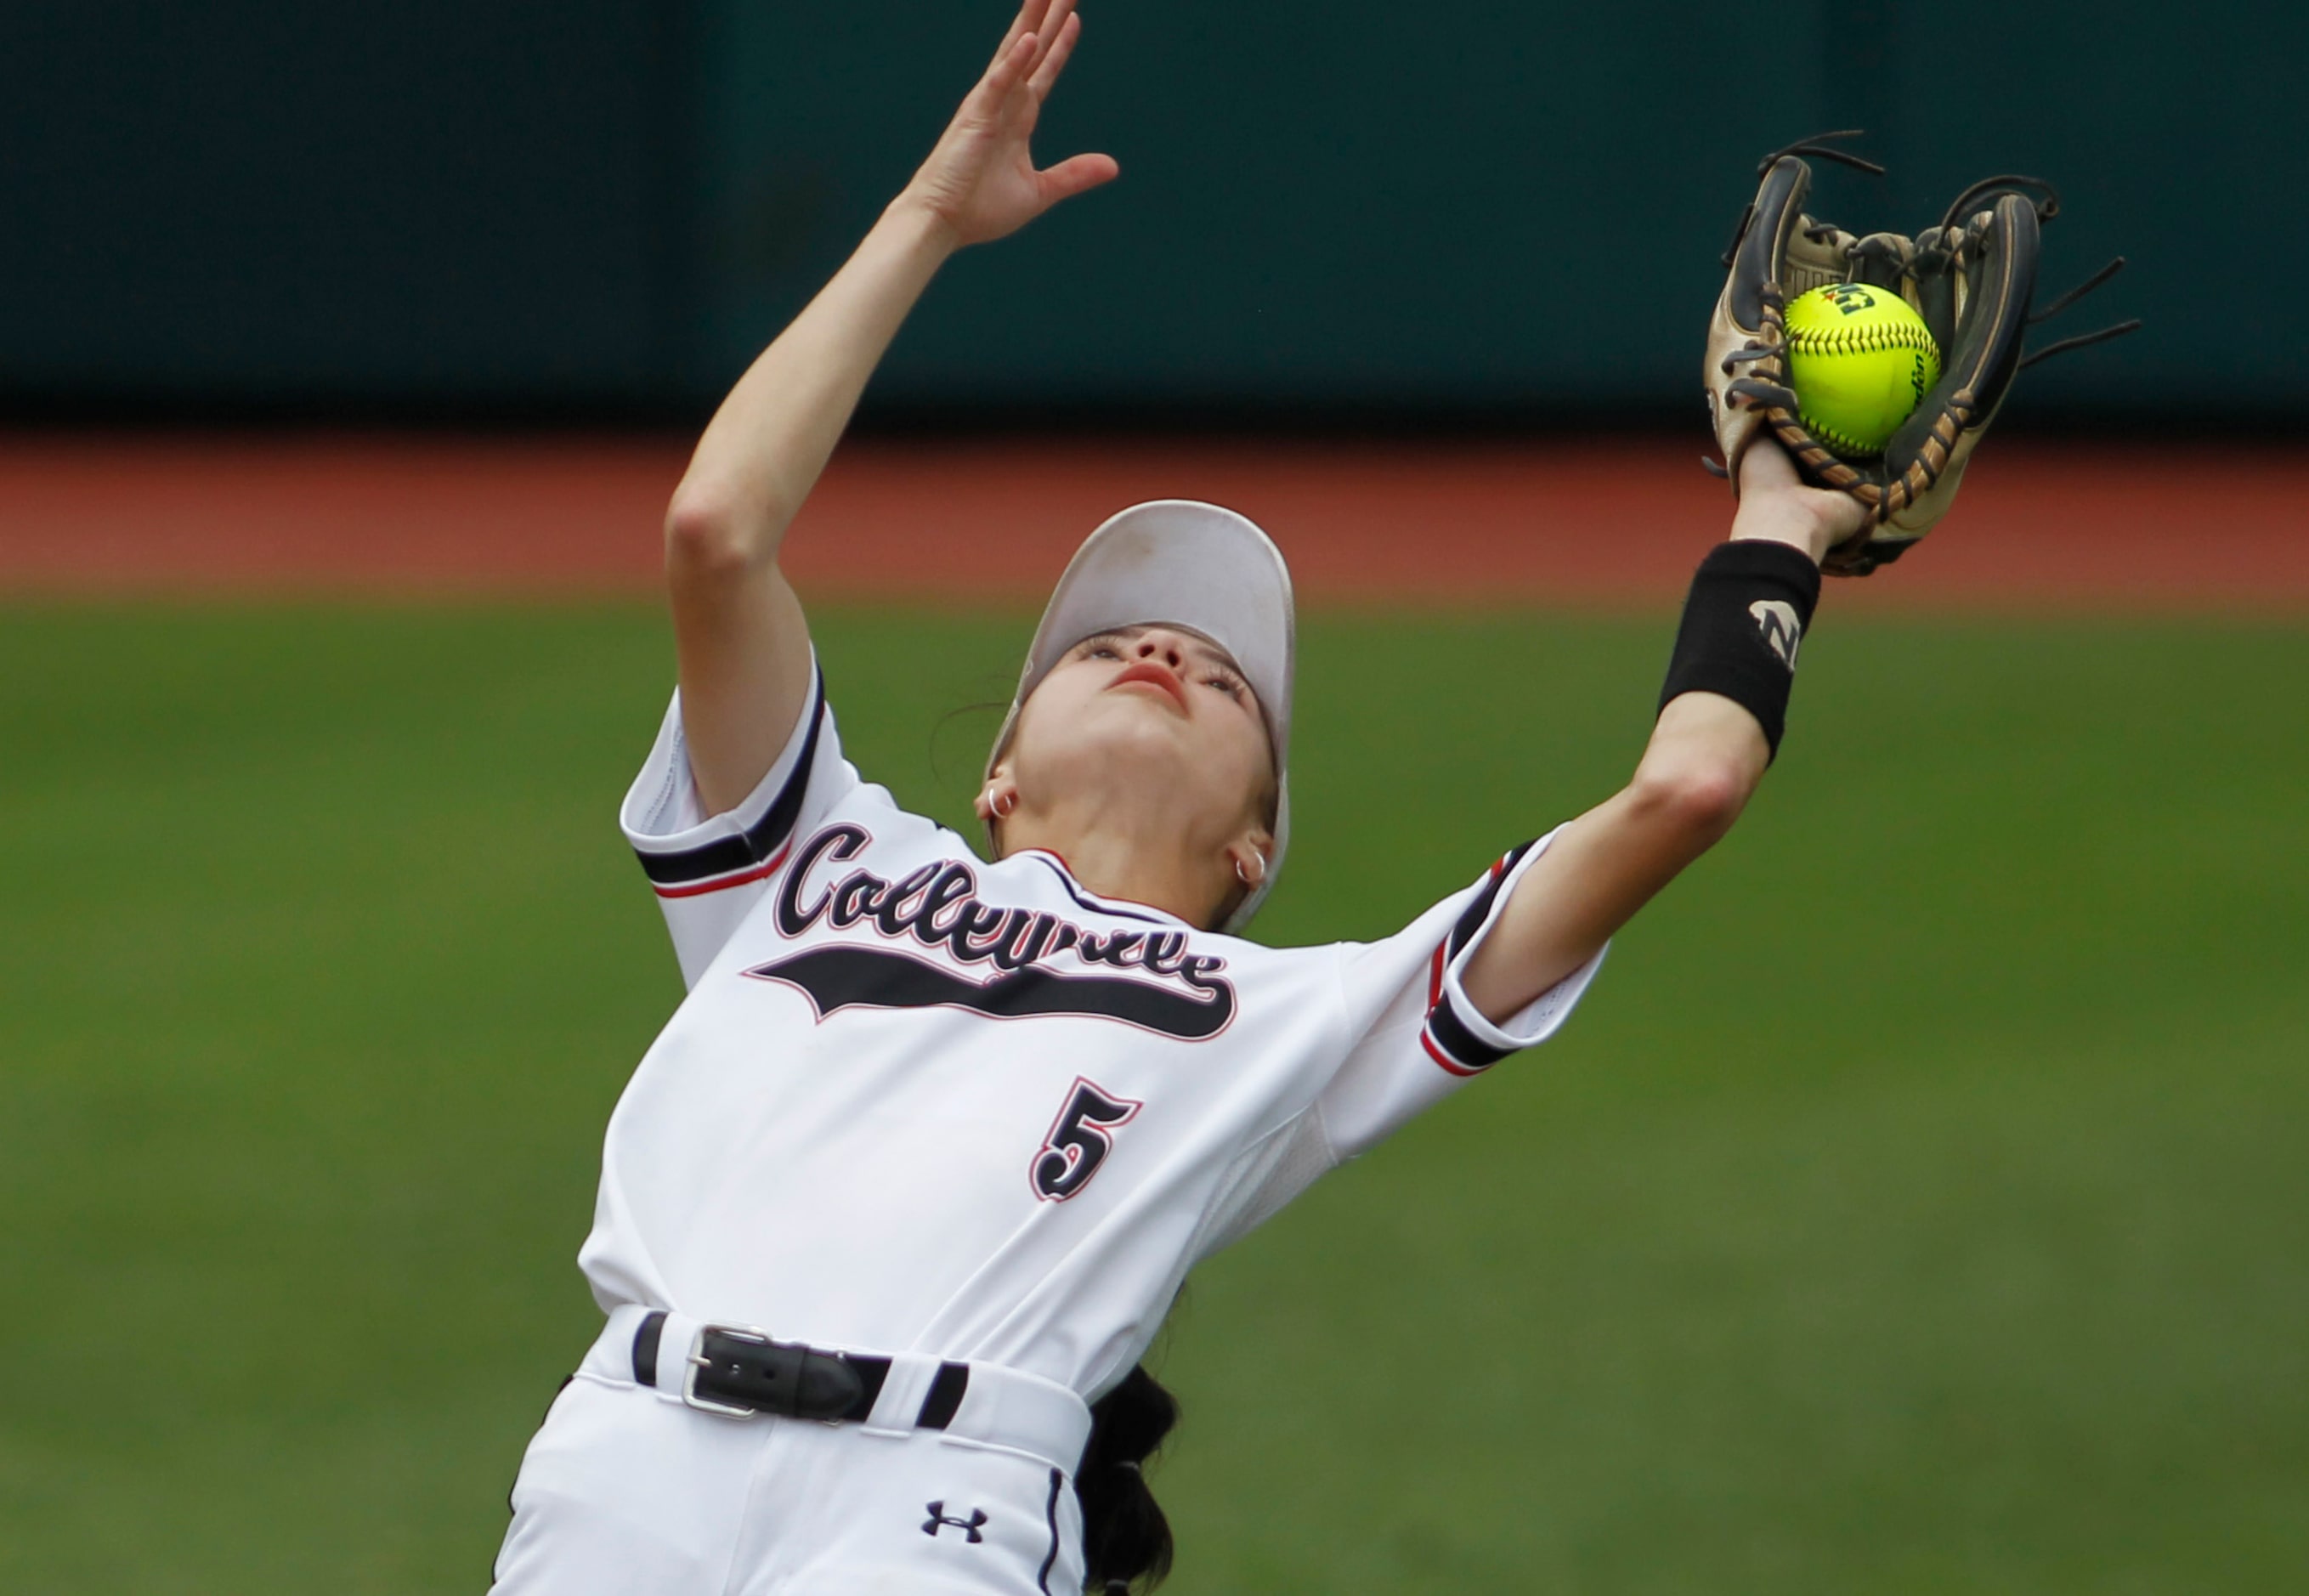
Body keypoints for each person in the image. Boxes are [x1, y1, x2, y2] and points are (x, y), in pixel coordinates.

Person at [489, 3, 1868, 1591]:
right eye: (1106, 642)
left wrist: (1778, 524)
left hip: (938, 1503)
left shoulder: (1287, 1017)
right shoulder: (804, 864)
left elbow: (1686, 788)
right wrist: (931, 217)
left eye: (1222, 677)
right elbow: (717, 529)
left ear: (1253, 842)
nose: (1160, 644)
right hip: (631, 1464)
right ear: (996, 775)